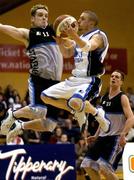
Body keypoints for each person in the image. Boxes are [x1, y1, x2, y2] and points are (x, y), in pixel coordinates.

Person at [40, 10, 110, 132]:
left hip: (90, 80)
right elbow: (67, 53)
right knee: (45, 96)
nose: (78, 21)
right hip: (74, 80)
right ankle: (77, 111)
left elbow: (88, 46)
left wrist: (73, 36)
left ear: (91, 23)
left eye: (82, 19)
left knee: (75, 101)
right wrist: (60, 42)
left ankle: (98, 113)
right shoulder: (80, 38)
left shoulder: (99, 36)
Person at [0, 4, 63, 139]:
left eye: (46, 16)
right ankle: (13, 114)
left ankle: (20, 126)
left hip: (56, 84)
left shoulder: (54, 32)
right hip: (39, 79)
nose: (44, 18)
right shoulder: (29, 34)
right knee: (39, 111)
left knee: (50, 125)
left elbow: (71, 30)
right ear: (32, 19)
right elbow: (7, 28)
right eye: (40, 15)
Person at [81, 70, 134, 180]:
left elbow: (131, 117)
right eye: (112, 76)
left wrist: (123, 135)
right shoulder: (103, 98)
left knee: (104, 167)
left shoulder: (122, 97)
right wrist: (96, 135)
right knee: (87, 164)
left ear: (121, 82)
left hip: (115, 138)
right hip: (102, 138)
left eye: (117, 77)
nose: (113, 78)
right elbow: (103, 120)